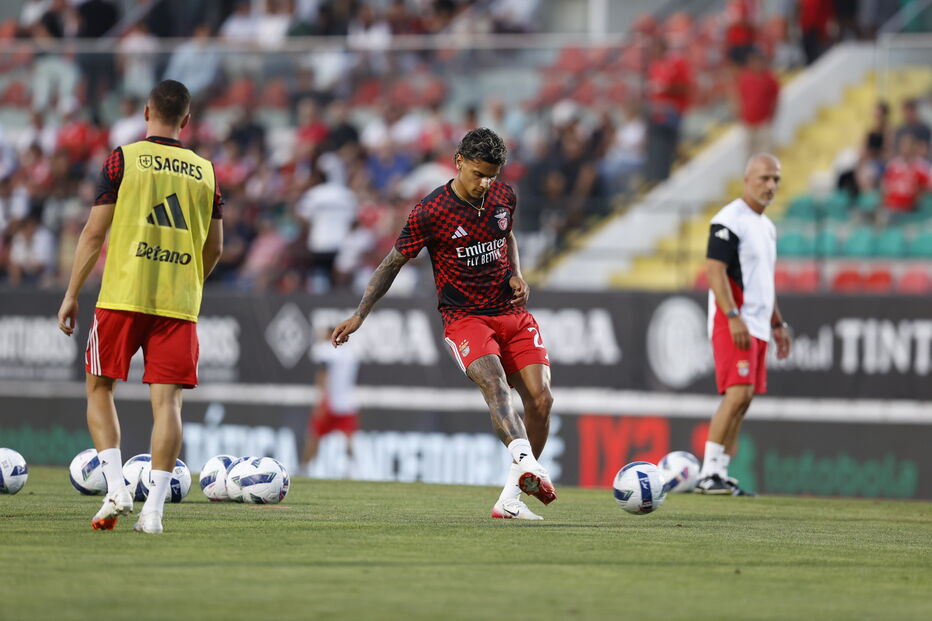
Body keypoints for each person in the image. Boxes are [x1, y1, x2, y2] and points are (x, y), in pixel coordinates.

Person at [331, 128, 556, 520]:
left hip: (511, 313)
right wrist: (359, 314)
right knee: (496, 386)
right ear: (459, 162)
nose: (486, 183)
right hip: (465, 318)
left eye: (492, 175)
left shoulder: (504, 195)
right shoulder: (431, 211)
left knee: (541, 401)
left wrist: (517, 273)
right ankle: (527, 463)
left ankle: (510, 500)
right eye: (479, 174)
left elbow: (508, 235)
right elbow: (391, 264)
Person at [57, 80, 224, 533]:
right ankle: (154, 512)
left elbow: (93, 233)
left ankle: (116, 489)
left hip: (122, 297)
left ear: (147, 112)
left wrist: (72, 293)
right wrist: (190, 280)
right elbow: (215, 247)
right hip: (178, 303)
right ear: (186, 120)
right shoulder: (206, 171)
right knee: (167, 405)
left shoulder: (123, 158)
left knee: (99, 388)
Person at [697, 153, 791, 495]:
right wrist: (733, 315)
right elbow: (714, 270)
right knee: (736, 394)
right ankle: (708, 472)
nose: (771, 185)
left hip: (759, 322)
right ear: (747, 179)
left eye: (776, 179)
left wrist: (778, 323)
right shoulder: (729, 219)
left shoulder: (766, 226)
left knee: (746, 396)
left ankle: (719, 471)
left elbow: (762, 281)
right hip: (734, 320)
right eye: (765, 178)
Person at [301, 327, 361, 476]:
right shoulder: (350, 353)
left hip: (330, 401)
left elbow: (323, 374)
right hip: (347, 401)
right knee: (348, 438)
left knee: (314, 436)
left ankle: (304, 468)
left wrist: (321, 400)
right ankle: (352, 468)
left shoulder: (325, 350)